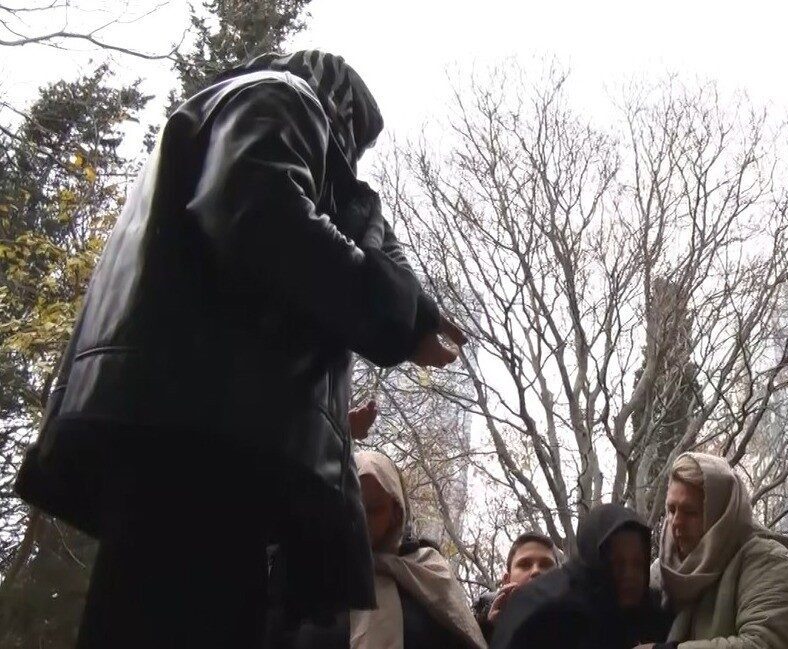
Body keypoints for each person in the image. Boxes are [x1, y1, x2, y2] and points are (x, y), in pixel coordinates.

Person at [14, 49, 466, 648]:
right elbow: (263, 215)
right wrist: (400, 318)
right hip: (208, 441)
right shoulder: (287, 97)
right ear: (346, 111)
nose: (352, 158)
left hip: (184, 427)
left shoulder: (233, 108)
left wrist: (406, 319)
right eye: (357, 140)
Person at [281, 450, 486, 649]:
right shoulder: (312, 573)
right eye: (352, 507)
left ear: (396, 512)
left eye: (373, 509)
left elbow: (460, 636)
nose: (361, 520)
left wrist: (489, 625)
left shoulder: (429, 574)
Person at [648, 452, 788, 649]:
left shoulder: (774, 565)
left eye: (690, 512)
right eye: (671, 510)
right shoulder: (664, 572)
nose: (676, 522)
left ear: (721, 514)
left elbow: (763, 644)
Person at [489, 503, 671, 649]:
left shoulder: (654, 612)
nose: (630, 574)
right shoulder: (544, 616)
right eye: (617, 564)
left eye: (638, 563)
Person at [472, 532, 560, 640]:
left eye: (546, 565)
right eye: (524, 564)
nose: (536, 571)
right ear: (506, 580)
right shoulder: (474, 632)